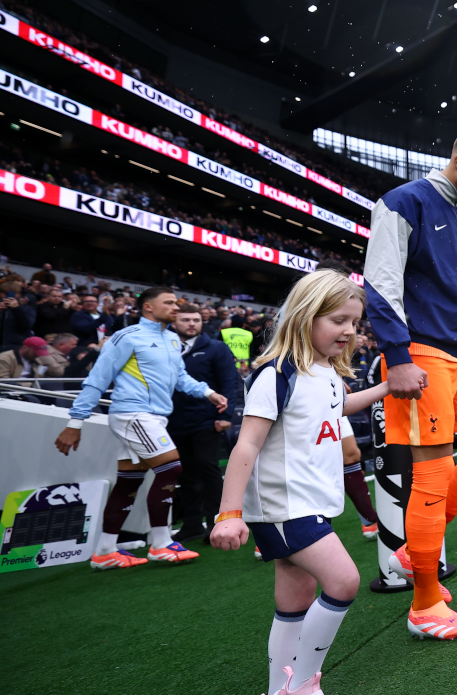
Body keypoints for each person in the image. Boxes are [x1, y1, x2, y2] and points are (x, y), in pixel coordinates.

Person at [208, 270, 392, 695]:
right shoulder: (276, 375)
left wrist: (386, 388)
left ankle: (279, 690)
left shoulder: (324, 371)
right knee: (344, 581)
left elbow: (339, 405)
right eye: (337, 320)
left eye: (354, 322)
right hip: (284, 507)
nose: (349, 331)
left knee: (294, 604)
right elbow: (246, 446)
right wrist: (229, 513)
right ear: (304, 316)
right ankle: (304, 687)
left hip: (305, 504)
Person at [364, 126, 457, 640]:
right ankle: (424, 604)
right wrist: (397, 356)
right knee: (430, 473)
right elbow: (379, 283)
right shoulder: (403, 202)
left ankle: (413, 550)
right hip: (421, 354)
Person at [54, 287, 229, 570]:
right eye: (169, 302)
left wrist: (208, 392)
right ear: (148, 307)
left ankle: (105, 550)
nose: (176, 306)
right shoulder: (127, 337)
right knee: (171, 469)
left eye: (176, 301)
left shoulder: (172, 339)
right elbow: (98, 379)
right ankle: (160, 544)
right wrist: (76, 422)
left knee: (128, 482)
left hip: (154, 418)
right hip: (132, 414)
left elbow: (181, 378)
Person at [168, 304, 240, 542]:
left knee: (208, 470)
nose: (192, 324)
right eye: (186, 319)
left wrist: (225, 416)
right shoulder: (164, 347)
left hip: (207, 420)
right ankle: (191, 524)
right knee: (184, 474)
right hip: (173, 421)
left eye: (196, 320)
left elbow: (229, 382)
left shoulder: (217, 347)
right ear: (174, 322)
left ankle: (215, 523)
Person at [339, 391, 380, 540]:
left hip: (326, 392)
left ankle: (369, 520)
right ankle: (275, 533)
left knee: (350, 454)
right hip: (289, 394)